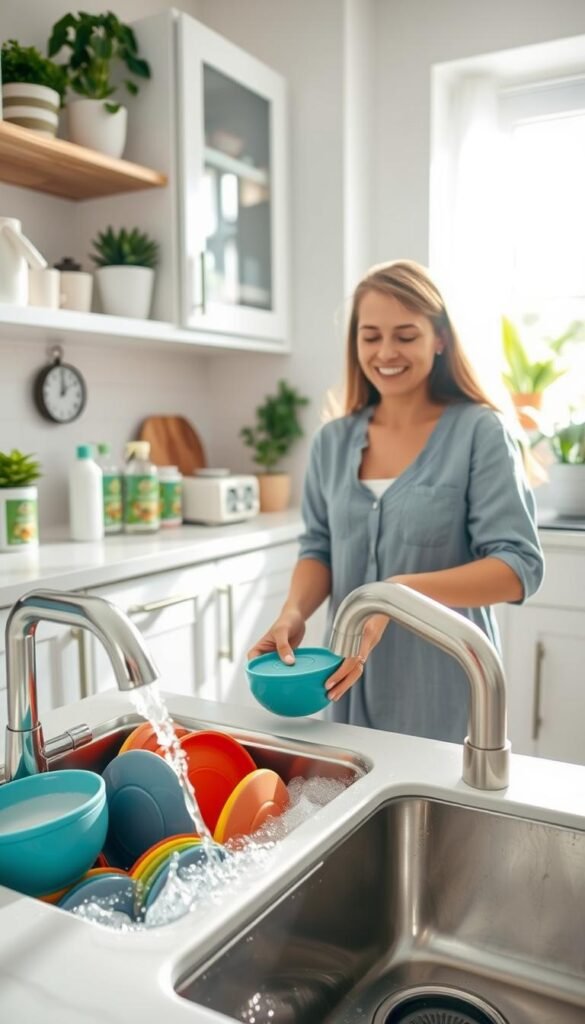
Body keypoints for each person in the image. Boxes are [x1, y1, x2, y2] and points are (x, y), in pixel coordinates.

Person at [248, 260, 544, 743]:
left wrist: (396, 594)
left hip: (446, 691)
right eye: (371, 336)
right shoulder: (332, 441)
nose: (387, 352)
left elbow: (519, 568)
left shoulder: (480, 433)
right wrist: (293, 613)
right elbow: (318, 548)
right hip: (342, 688)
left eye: (406, 336)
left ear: (440, 339)